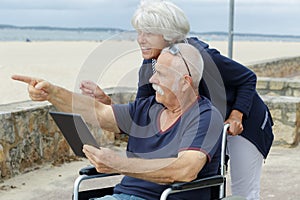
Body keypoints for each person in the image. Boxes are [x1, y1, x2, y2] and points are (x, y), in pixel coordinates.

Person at [80, 1, 274, 199]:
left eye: (147, 33)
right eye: (139, 32)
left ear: (167, 35)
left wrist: (237, 115)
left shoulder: (201, 56)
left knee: (244, 192)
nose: (140, 40)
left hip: (247, 121)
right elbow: (140, 118)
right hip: (210, 120)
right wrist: (107, 103)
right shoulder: (151, 64)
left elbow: (248, 78)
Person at [12, 43, 224, 200]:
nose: (152, 80)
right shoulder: (148, 107)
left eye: (160, 74)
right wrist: (51, 92)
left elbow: (184, 169)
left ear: (185, 83)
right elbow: (99, 112)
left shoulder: (205, 116)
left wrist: (118, 163)